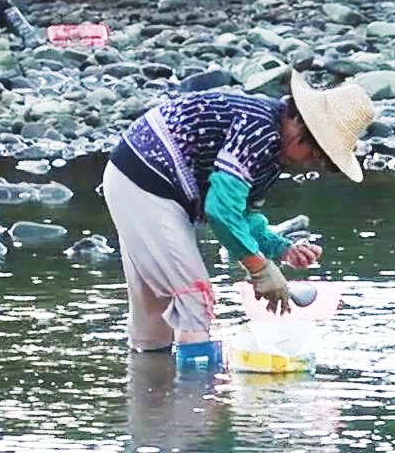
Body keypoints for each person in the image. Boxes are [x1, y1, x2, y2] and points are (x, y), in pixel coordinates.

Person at [102, 72, 374, 358]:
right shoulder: (260, 130)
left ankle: (151, 389)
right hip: (147, 180)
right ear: (300, 124)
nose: (312, 162)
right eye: (315, 151)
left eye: (321, 159)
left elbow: (243, 215)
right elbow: (220, 212)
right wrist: (259, 268)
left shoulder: (274, 154)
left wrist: (281, 250)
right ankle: (197, 397)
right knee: (194, 297)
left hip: (138, 180)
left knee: (154, 310)